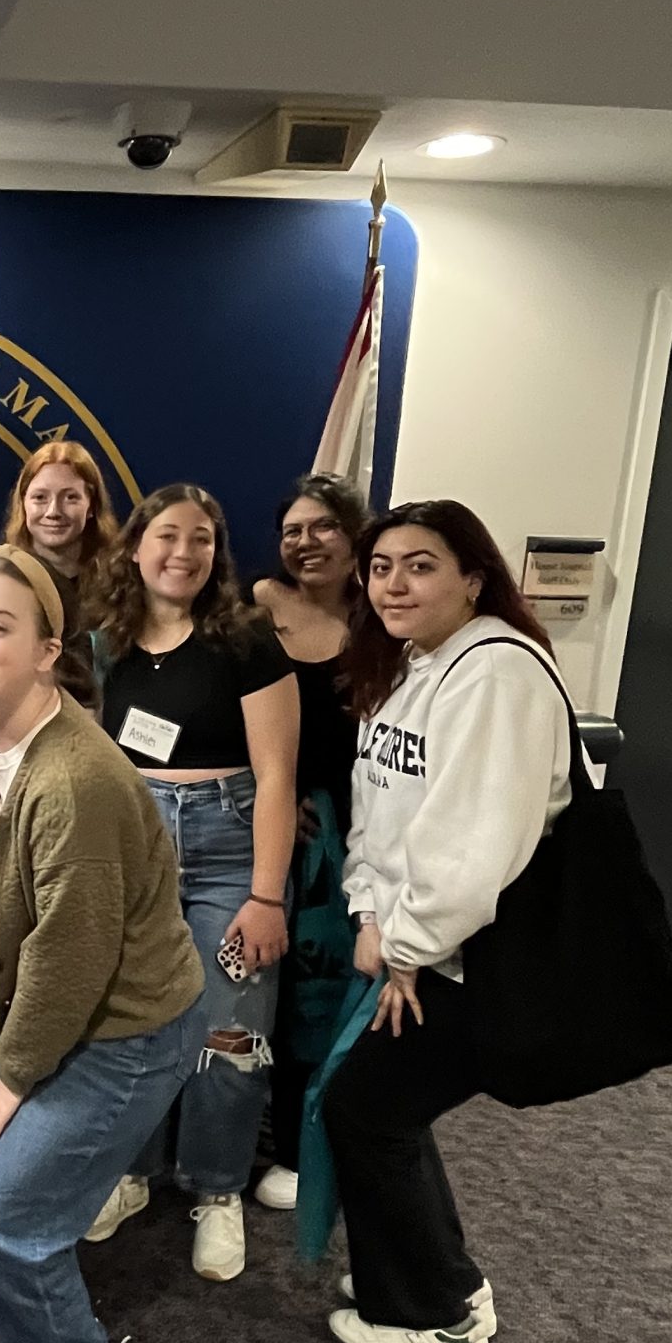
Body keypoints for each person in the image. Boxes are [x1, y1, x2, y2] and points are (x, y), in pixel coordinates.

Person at [0, 549, 207, 1343]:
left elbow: (72, 954)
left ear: (49, 652)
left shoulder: (72, 781)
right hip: (63, 1021)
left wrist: (14, 1076)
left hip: (124, 1033)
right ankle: (26, 1339)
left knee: (3, 1215)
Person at [325, 501, 573, 1343]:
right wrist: (369, 914)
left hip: (475, 955)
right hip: (422, 944)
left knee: (368, 1110)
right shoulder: (411, 666)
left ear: (473, 578)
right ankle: (446, 1285)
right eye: (381, 567)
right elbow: (377, 814)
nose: (394, 584)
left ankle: (435, 1322)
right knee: (386, 1109)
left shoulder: (496, 671)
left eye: (420, 565)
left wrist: (406, 948)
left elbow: (475, 844)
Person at [84, 484, 298, 1280]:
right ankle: (133, 1172)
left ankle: (217, 1188)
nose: (183, 552)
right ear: (136, 547)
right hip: (133, 850)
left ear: (217, 552)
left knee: (230, 1028)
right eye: (167, 535)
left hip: (228, 849)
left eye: (200, 538)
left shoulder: (246, 640)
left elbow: (277, 777)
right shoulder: (104, 644)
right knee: (130, 1023)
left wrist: (266, 895)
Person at [249, 474, 369, 1210]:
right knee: (270, 989)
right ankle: (256, 1134)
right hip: (274, 829)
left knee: (332, 992)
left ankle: (312, 1142)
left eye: (323, 526)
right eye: (293, 530)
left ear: (354, 536)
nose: (305, 541)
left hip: (361, 835)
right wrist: (271, 794)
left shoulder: (381, 616)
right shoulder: (258, 608)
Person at [0, 440, 119, 705]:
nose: (54, 511)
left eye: (70, 497)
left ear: (91, 507)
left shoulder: (119, 585)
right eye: (40, 498)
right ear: (23, 504)